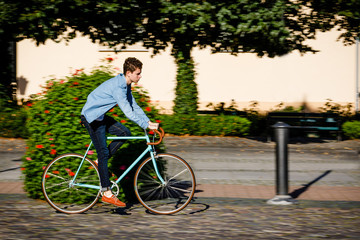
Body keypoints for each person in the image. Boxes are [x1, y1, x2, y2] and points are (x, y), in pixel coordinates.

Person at [80, 57, 159, 207]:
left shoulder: (125, 85)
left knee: (124, 133)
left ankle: (98, 163)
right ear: (128, 73)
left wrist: (148, 122)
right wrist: (144, 124)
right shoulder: (118, 87)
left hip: (99, 116)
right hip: (91, 118)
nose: (140, 76)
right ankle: (106, 192)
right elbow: (128, 112)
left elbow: (133, 105)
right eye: (138, 73)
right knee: (103, 153)